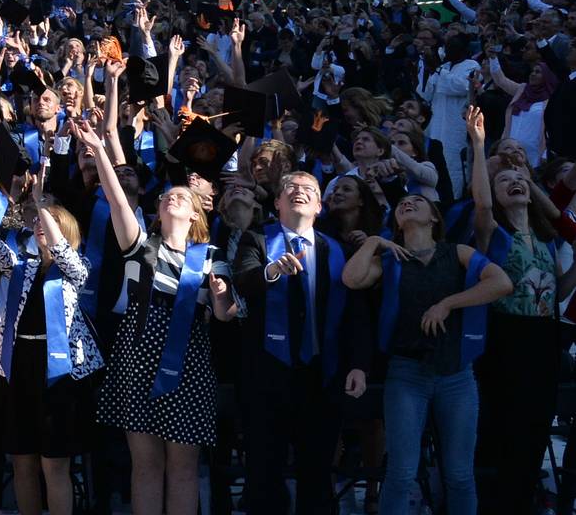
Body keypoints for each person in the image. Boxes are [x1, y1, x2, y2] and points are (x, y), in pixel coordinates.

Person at [85, 122, 241, 515]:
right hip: (136, 359)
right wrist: (100, 150)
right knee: (146, 464)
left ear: (195, 215)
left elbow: (224, 315)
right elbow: (118, 202)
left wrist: (224, 298)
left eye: (180, 198)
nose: (171, 200)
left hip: (188, 364)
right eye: (166, 197)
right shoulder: (139, 247)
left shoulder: (211, 256)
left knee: (184, 466)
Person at [344, 189, 513, 515]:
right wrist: (373, 242)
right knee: (401, 472)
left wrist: (448, 303)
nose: (407, 202)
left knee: (460, 474)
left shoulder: (457, 252)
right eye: (402, 204)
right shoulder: (389, 260)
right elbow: (351, 279)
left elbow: (501, 283)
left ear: (435, 217)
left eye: (418, 202)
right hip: (406, 372)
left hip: (457, 374)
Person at [463, 106, 567, 515]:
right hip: (504, 337)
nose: (513, 184)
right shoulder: (494, 232)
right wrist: (478, 145)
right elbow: (483, 209)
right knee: (503, 423)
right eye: (503, 181)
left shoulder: (545, 237)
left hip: (544, 335)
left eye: (518, 179)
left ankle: (526, 497)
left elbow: (558, 289)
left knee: (536, 425)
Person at [231, 170, 346, 515]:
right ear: (277, 202)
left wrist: (355, 363)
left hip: (319, 374)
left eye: (308, 188)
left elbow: (352, 312)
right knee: (264, 470)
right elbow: (243, 281)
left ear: (320, 206)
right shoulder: (257, 240)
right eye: (290, 188)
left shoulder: (334, 248)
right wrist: (271, 271)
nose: (298, 192)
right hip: (267, 372)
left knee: (317, 469)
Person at [0, 181, 103, 515]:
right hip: (20, 366)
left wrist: (39, 201)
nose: (38, 223)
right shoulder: (24, 267)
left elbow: (64, 252)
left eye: (47, 220)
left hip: (59, 373)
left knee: (54, 464)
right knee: (22, 461)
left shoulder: (76, 268)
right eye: (36, 219)